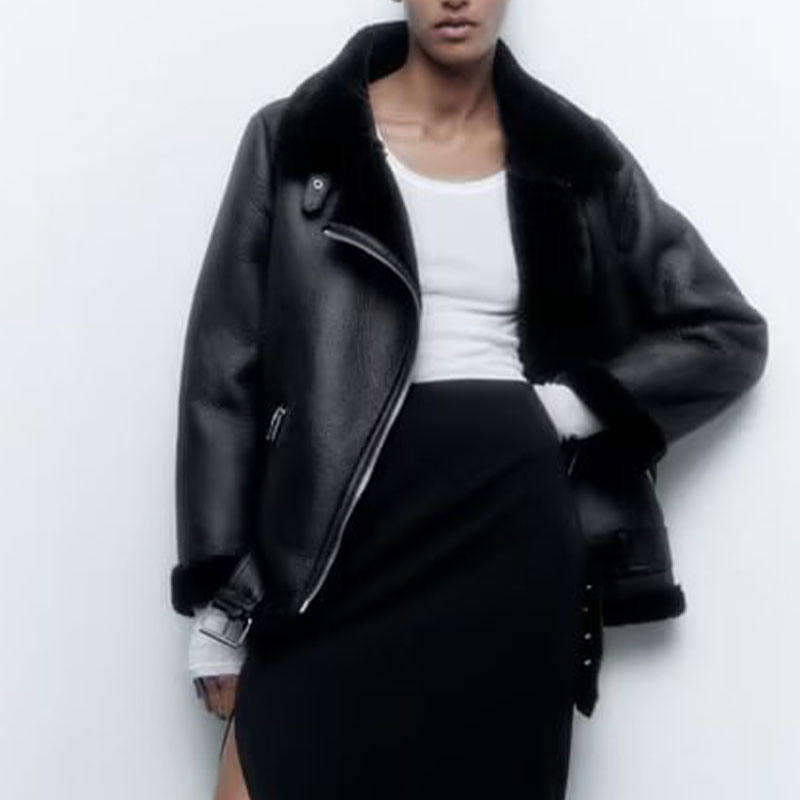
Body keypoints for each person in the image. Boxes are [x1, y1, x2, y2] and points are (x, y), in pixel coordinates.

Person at [171, 4, 769, 799]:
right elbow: (222, 372)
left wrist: (566, 409)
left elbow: (726, 332)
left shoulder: (572, 156)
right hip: (336, 539)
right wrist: (219, 602)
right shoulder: (299, 141)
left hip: (508, 532)